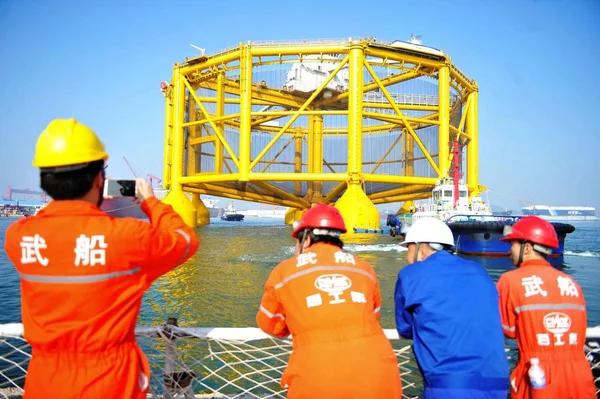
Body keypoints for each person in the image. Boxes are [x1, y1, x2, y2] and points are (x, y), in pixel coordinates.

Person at [4, 118, 199, 399]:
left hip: (44, 383)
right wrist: (150, 202)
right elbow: (186, 241)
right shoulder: (128, 237)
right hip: (112, 383)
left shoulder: (19, 237)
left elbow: (59, 234)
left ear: (44, 181)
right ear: (99, 178)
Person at [256, 203, 402, 399]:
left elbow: (270, 323)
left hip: (317, 379)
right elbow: (373, 315)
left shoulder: (285, 271)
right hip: (381, 375)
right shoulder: (364, 268)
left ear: (306, 239)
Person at [394, 217, 509, 399]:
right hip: (498, 381)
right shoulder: (479, 271)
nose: (407, 257)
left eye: (408, 249)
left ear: (421, 249)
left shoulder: (411, 274)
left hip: (448, 384)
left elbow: (405, 328)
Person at [497, 216, 596, 398]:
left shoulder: (510, 281)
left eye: (513, 244)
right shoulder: (571, 283)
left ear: (527, 248)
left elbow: (509, 330)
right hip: (580, 374)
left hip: (539, 375)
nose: (509, 251)